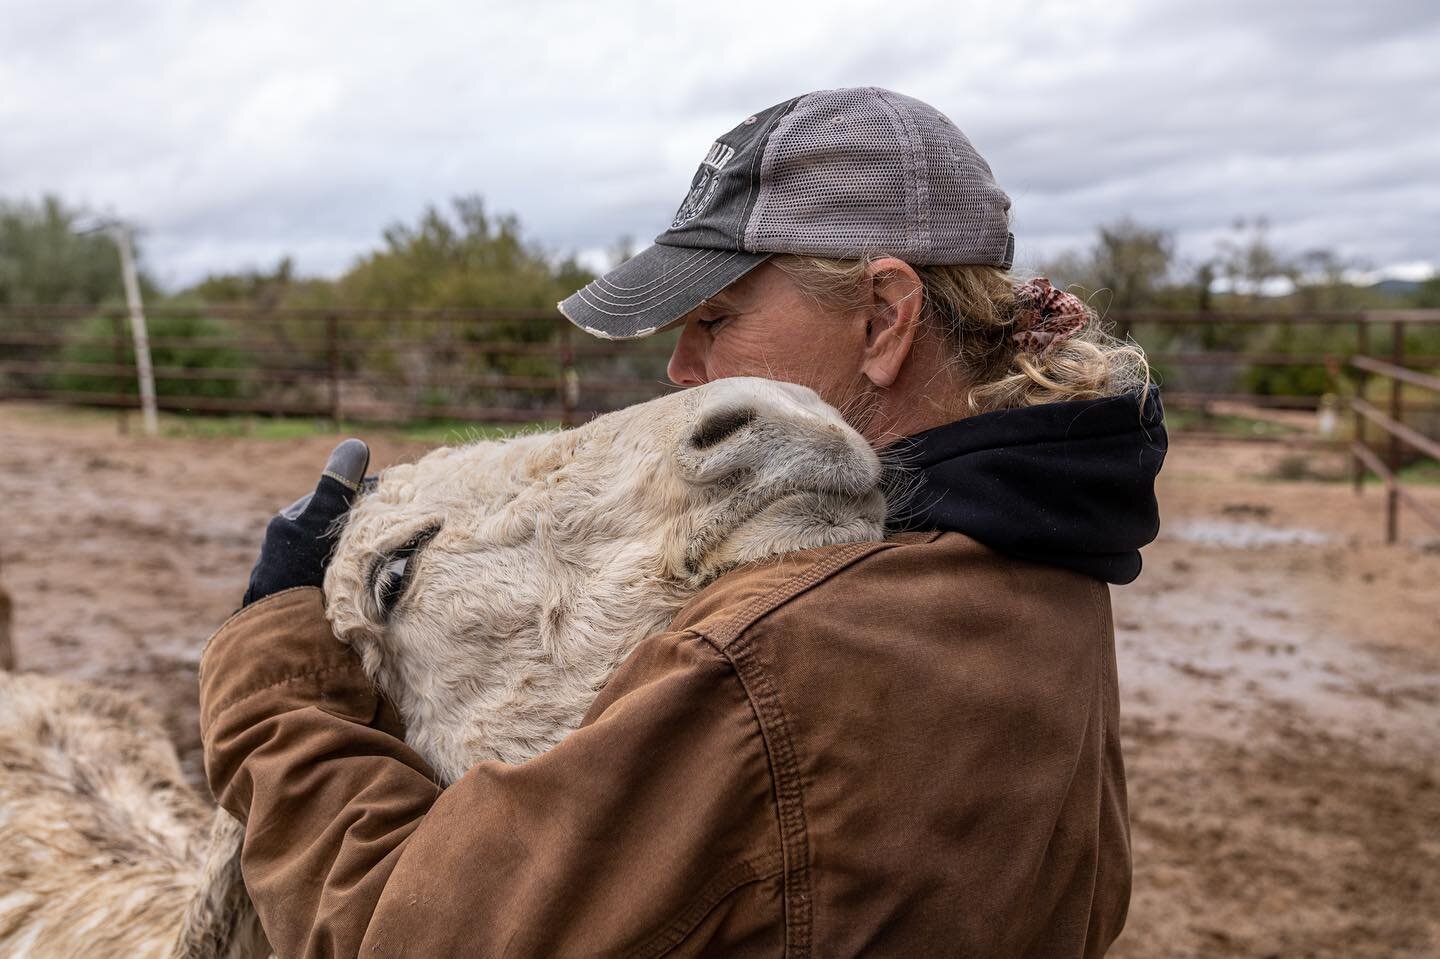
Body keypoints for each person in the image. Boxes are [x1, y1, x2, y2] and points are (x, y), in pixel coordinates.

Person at [202, 87, 1166, 957]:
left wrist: (277, 680)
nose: (680, 370)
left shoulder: (785, 654)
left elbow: (396, 933)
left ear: (883, 318)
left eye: (714, 320)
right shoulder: (1047, 558)